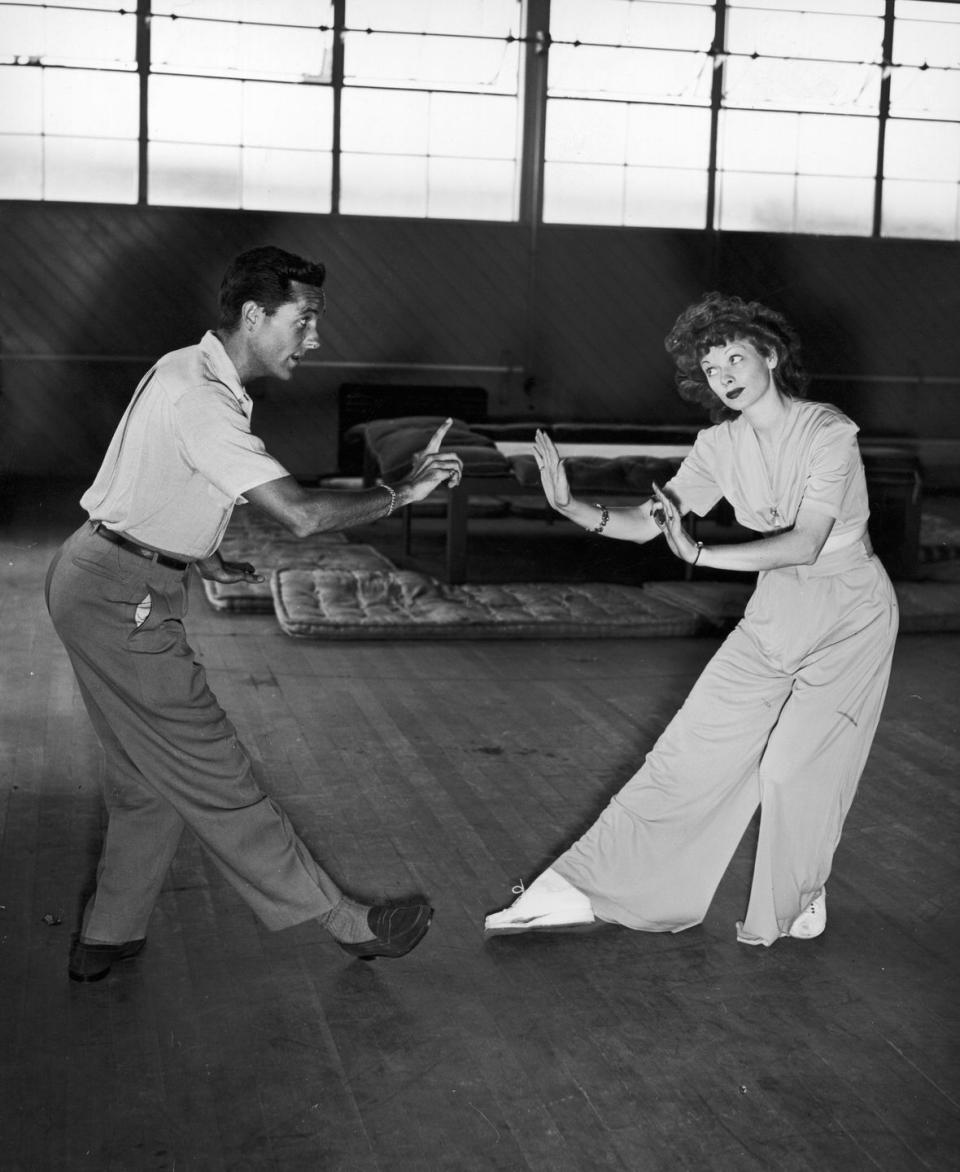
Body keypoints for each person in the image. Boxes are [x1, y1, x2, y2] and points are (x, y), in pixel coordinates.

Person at [46, 245, 463, 981]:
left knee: (148, 780)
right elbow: (298, 516)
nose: (315, 339)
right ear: (253, 315)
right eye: (304, 321)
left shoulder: (190, 369)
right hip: (121, 597)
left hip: (105, 575)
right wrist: (403, 492)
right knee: (214, 767)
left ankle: (107, 937)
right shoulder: (202, 398)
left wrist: (202, 553)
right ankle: (348, 922)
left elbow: (159, 480)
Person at [484, 292, 898, 946]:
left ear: (771, 353)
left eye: (736, 356)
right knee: (687, 753)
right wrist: (571, 507)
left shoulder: (828, 432)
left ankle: (802, 890)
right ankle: (583, 890)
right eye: (711, 368)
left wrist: (701, 552)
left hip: (850, 612)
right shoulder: (717, 445)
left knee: (792, 770)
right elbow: (651, 527)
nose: (726, 375)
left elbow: (808, 543)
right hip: (776, 611)